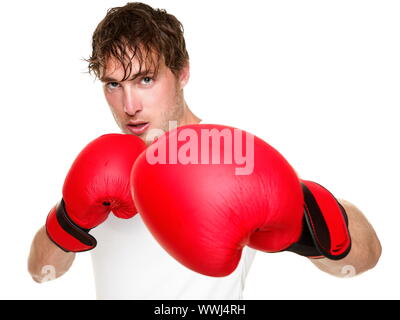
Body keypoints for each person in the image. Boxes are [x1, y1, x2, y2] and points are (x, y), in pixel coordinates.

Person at [28, 2, 381, 299]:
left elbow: (364, 259)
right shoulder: (104, 163)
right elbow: (41, 273)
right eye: (114, 85)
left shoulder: (229, 154)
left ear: (182, 72)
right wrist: (70, 218)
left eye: (145, 79)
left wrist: (301, 220)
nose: (129, 104)